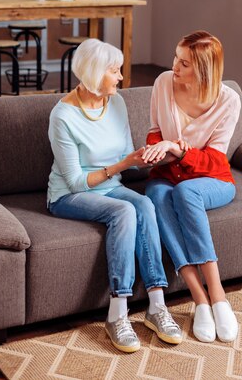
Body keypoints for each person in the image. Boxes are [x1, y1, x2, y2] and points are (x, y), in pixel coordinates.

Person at [47, 38, 182, 353]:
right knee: (123, 212)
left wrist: (157, 154)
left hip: (111, 186)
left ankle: (157, 306)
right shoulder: (63, 116)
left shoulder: (117, 103)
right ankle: (117, 312)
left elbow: (126, 156)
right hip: (69, 195)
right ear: (95, 74)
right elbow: (77, 181)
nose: (121, 77)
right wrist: (122, 164)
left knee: (145, 204)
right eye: (114, 71)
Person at [142, 30, 241, 343]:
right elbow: (156, 132)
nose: (175, 66)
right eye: (176, 57)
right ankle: (199, 298)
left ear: (203, 69)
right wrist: (157, 149)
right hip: (166, 177)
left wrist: (180, 150)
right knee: (156, 194)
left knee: (187, 192)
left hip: (213, 181)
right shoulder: (162, 83)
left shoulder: (228, 101)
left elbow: (215, 160)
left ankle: (218, 294)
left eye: (184, 63)